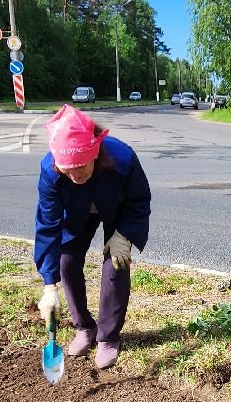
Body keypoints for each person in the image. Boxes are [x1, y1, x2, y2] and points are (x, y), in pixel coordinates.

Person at [34, 104, 151, 370]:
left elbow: (138, 200)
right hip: (76, 214)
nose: (74, 175)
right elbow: (47, 225)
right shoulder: (51, 171)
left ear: (95, 152)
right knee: (66, 262)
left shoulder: (122, 160)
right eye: (67, 169)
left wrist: (125, 234)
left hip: (118, 211)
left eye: (81, 167)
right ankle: (84, 327)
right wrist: (49, 285)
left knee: (116, 264)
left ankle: (108, 337)